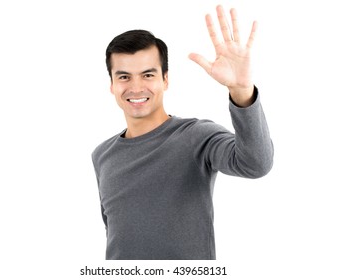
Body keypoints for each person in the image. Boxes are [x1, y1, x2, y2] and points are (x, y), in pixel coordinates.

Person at [92, 5, 273, 260]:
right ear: (111, 84)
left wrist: (242, 90)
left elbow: (256, 164)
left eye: (147, 74)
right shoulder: (101, 155)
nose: (136, 87)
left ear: (165, 80)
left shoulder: (196, 136)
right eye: (124, 77)